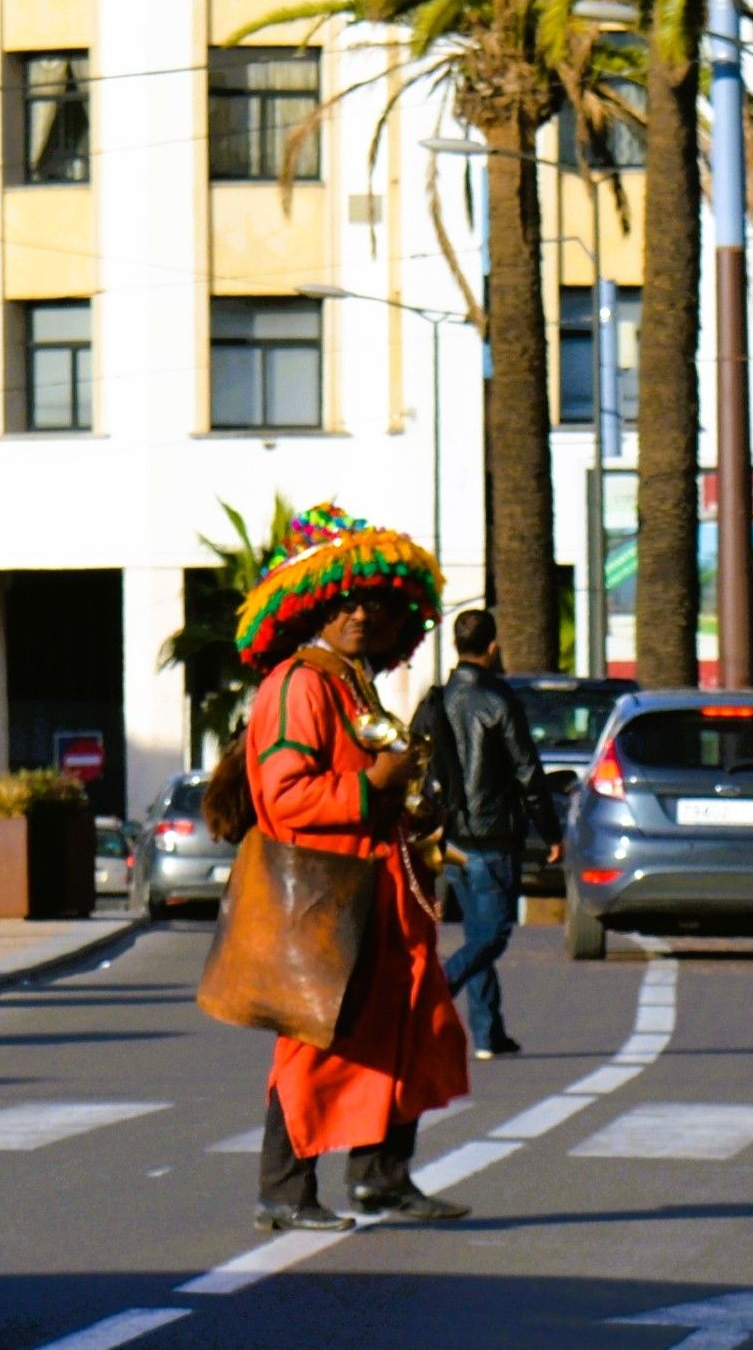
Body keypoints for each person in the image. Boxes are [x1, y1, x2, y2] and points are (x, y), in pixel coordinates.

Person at [236, 502, 470, 1234]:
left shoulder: (349, 681)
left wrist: (408, 804)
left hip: (381, 895)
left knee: (401, 1034)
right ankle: (283, 1191)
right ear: (315, 607)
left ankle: (380, 1180)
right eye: (346, 602)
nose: (362, 615)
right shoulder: (299, 685)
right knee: (314, 1042)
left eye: (375, 603)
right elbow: (286, 794)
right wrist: (377, 783)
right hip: (329, 897)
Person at [416, 607, 561, 1059]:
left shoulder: (436, 700)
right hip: (493, 836)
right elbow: (526, 772)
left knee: (479, 932)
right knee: (492, 935)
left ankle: (487, 1033)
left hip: (452, 837)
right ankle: (438, 989)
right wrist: (550, 832)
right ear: (493, 647)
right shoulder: (499, 702)